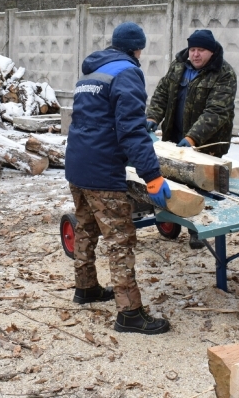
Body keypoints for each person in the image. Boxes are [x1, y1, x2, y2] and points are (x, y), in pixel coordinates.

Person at [65, 21, 172, 335]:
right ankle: (130, 313)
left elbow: (100, 119)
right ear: (136, 48)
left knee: (85, 226)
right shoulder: (128, 72)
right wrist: (152, 176)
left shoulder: (91, 73)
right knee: (120, 239)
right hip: (102, 169)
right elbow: (130, 132)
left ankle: (85, 288)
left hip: (78, 163)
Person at [145, 29, 237, 249]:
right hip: (175, 136)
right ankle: (176, 216)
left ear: (211, 52)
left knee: (203, 185)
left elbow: (217, 111)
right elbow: (161, 94)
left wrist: (193, 138)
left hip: (207, 141)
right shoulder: (178, 66)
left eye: (201, 50)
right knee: (176, 180)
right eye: (193, 49)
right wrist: (153, 117)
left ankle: (200, 229)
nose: (195, 55)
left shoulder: (224, 73)